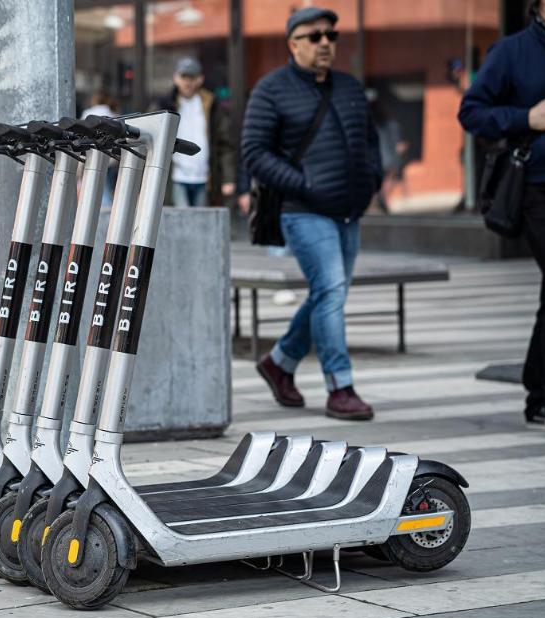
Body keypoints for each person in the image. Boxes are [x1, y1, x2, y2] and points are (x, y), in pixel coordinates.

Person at [459, 0, 545, 438]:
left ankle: (538, 394)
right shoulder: (512, 51)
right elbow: (472, 112)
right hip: (538, 189)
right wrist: (525, 118)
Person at [243, 7, 383, 421]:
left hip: (348, 210)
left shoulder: (350, 87)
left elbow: (370, 141)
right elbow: (255, 153)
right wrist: (304, 185)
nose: (325, 42)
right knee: (332, 289)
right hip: (302, 210)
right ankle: (340, 387)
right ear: (293, 44)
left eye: (331, 35)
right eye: (314, 36)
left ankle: (279, 363)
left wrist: (373, 179)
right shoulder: (270, 90)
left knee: (328, 292)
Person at [154, 57, 235, 207]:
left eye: (192, 77)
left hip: (204, 176)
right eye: (184, 76)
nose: (187, 82)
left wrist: (228, 178)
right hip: (175, 176)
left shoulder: (212, 104)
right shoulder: (164, 104)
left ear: (200, 79)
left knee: (201, 224)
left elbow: (224, 143)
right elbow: (149, 138)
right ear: (176, 78)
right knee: (181, 222)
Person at [82, 92, 119, 207]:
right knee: (107, 183)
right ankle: (107, 206)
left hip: (92, 155)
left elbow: (81, 134)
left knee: (96, 184)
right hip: (110, 156)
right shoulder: (112, 114)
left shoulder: (87, 113)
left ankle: (103, 208)